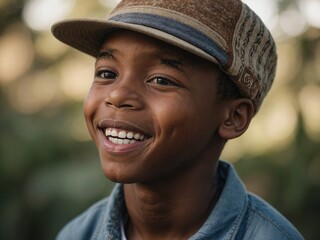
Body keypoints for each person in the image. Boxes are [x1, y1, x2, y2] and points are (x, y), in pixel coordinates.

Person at [52, 0, 304, 239]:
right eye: (107, 73)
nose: (117, 95)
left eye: (162, 80)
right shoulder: (77, 235)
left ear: (233, 117)